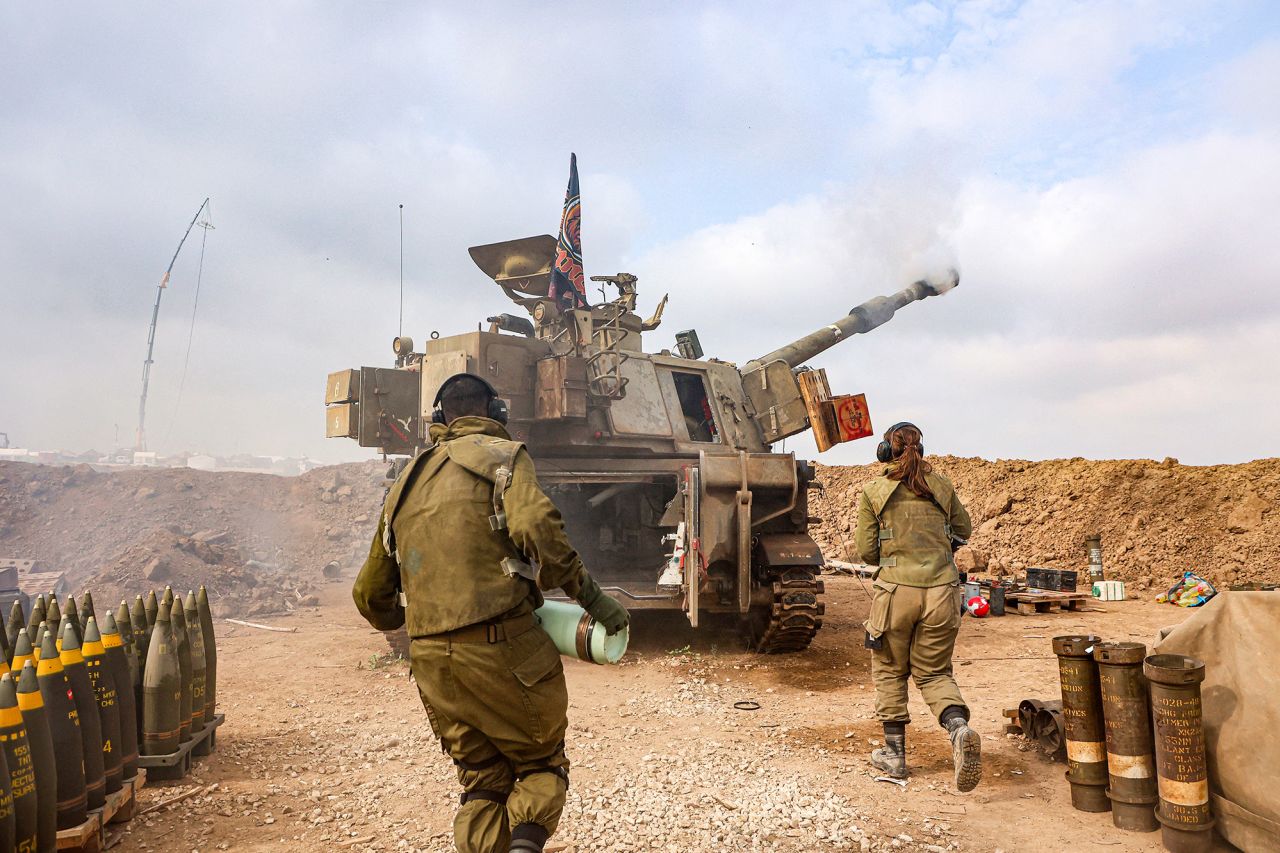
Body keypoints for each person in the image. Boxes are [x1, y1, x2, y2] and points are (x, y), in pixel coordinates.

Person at [353, 373, 629, 853]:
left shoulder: (406, 481)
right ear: (497, 413)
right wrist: (594, 600)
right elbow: (539, 529)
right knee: (540, 765)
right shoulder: (507, 458)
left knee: (482, 780)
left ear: (440, 419)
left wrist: (421, 621)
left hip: (432, 662)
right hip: (502, 646)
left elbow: (370, 594)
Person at [855, 421, 980, 791]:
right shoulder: (941, 486)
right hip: (942, 594)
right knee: (935, 673)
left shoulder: (875, 491)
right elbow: (965, 529)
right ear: (920, 451)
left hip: (896, 594)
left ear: (885, 452)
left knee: (891, 670)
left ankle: (894, 756)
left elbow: (866, 551)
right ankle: (959, 730)